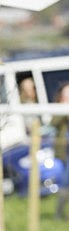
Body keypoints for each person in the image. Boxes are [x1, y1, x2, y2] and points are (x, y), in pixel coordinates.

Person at [53, 82, 69, 220]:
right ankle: (59, 212)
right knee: (65, 180)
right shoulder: (58, 108)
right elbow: (53, 123)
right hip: (64, 151)